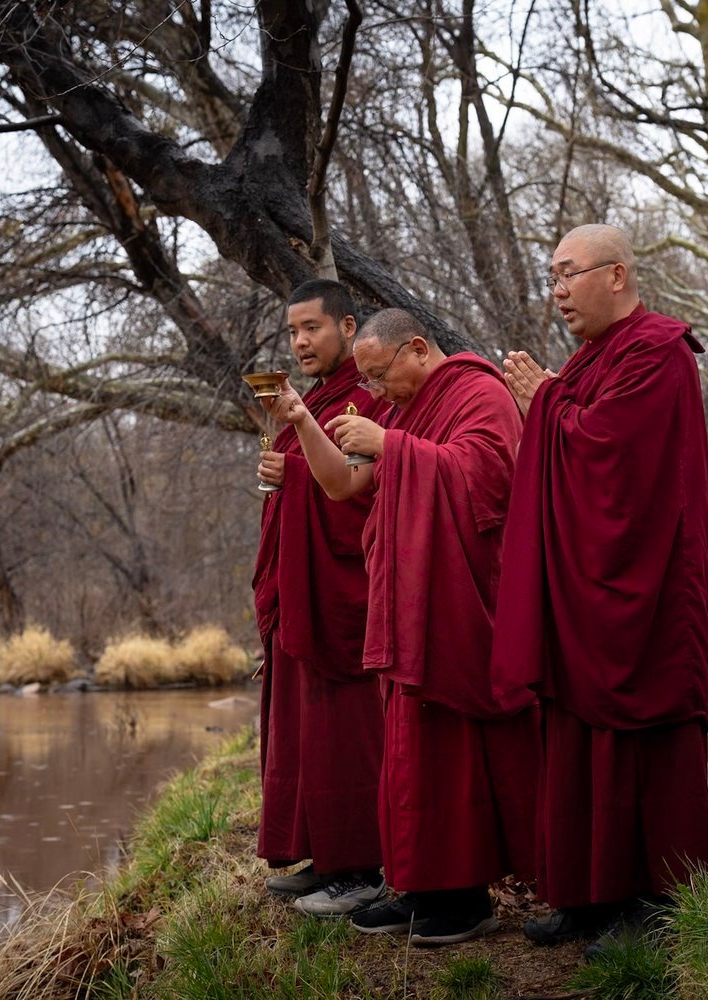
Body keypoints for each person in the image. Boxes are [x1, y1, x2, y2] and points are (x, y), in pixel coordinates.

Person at [266, 307, 539, 946]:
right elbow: (341, 486)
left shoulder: (478, 391)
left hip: (463, 604)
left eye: (382, 376)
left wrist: (390, 445)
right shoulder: (402, 408)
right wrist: (304, 422)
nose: (377, 393)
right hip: (412, 605)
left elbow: (488, 478)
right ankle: (421, 888)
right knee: (411, 759)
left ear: (418, 348)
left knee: (454, 757)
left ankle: (467, 899)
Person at [492, 224, 708, 959]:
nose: (556, 292)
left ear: (616, 275)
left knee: (636, 740)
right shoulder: (592, 360)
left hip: (642, 592)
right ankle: (588, 896)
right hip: (586, 591)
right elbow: (571, 447)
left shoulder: (657, 353)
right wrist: (554, 403)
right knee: (578, 737)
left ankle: (652, 902)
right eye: (551, 276)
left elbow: (615, 459)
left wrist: (549, 404)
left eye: (568, 274)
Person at [252, 279, 390, 915]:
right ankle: (322, 854)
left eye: (313, 328)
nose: (302, 342)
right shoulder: (315, 399)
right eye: (293, 331)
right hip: (300, 587)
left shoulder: (366, 399)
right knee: (304, 728)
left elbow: (363, 492)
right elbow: (312, 473)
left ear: (350, 328)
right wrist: (281, 476)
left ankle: (362, 866)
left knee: (345, 729)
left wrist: (299, 471)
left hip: (344, 594)